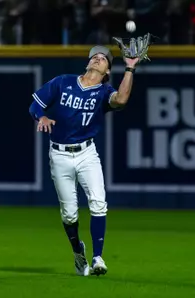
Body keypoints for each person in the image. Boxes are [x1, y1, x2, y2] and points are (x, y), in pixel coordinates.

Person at [28, 45, 139, 276]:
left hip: (87, 153)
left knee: (98, 202)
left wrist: (130, 69)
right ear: (87, 63)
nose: (98, 59)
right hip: (59, 154)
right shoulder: (63, 82)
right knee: (69, 214)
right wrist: (43, 116)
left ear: (107, 70)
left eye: (103, 59)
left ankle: (98, 257)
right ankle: (79, 253)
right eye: (95, 57)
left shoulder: (103, 92)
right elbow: (35, 105)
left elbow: (121, 100)